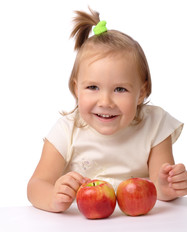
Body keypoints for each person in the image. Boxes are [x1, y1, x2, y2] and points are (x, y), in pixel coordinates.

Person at [27, 8, 187, 213]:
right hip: (81, 228)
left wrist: (168, 187)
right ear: (76, 88)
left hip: (140, 226)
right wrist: (52, 197)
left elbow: (159, 184)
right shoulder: (67, 130)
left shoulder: (155, 123)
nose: (105, 102)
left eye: (120, 89)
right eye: (92, 87)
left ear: (141, 92)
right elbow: (36, 185)